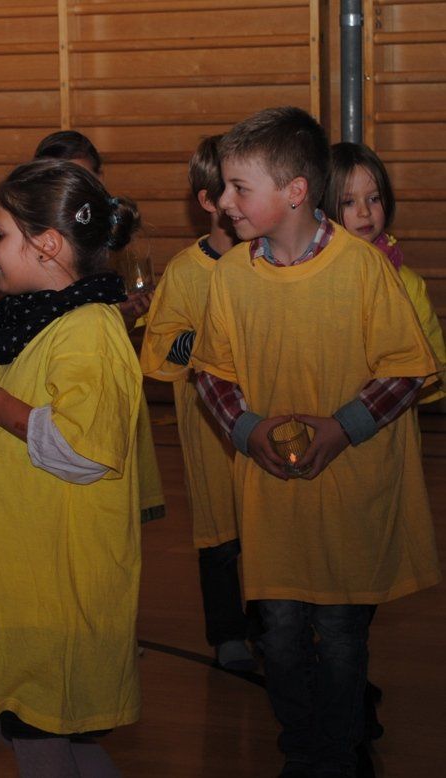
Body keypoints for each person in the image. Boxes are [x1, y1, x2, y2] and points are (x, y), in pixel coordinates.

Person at [190, 107, 440, 778]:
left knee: (341, 639)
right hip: (273, 504)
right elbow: (209, 373)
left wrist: (342, 427)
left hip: (351, 500)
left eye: (240, 188)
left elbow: (407, 370)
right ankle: (303, 747)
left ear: (295, 191)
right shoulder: (229, 276)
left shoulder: (364, 270)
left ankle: (334, 752)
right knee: (279, 637)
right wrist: (247, 429)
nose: (225, 201)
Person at [0, 159, 143, 777]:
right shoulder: (36, 317)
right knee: (39, 725)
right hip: (26, 571)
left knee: (38, 727)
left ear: (47, 245)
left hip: (60, 584)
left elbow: (85, 450)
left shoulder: (90, 330)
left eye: (0, 233)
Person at [139, 135, 256, 672]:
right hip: (211, 431)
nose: (236, 201)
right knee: (220, 536)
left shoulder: (272, 260)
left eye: (245, 188)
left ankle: (273, 627)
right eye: (227, 190)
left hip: (266, 426)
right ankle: (228, 632)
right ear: (208, 200)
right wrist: (213, 341)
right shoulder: (187, 271)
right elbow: (160, 347)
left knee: (269, 534)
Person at [35, 130, 165, 524]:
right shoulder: (30, 251)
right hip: (56, 401)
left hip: (105, 395)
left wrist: (127, 313)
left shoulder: (112, 240)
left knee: (108, 507)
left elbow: (113, 319)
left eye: (85, 180)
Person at [322, 141, 446, 404]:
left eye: (374, 198)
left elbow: (435, 364)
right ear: (323, 207)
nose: (364, 211)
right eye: (348, 202)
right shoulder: (310, 277)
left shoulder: (407, 283)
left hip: (389, 419)